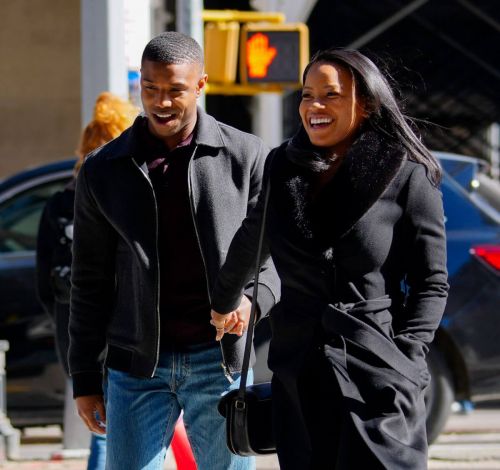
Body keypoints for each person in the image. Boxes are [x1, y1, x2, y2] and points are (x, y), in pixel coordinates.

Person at [211, 48, 449, 469]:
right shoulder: (284, 168)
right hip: (299, 372)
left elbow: (431, 282)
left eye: (330, 95)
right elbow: (252, 240)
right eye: (307, 95)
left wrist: (408, 357)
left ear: (368, 102)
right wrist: (224, 299)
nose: (314, 106)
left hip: (378, 372)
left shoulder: (407, 173)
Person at [68, 31, 279, 470]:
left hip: (219, 361)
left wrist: (250, 302)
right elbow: (89, 279)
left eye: (175, 90)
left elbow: (271, 259)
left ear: (201, 84)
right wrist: (85, 377)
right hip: (135, 366)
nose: (161, 102)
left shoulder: (247, 156)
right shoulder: (103, 170)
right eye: (150, 89)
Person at [36, 91, 139, 469]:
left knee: (103, 422)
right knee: (113, 424)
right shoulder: (128, 192)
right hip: (127, 326)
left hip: (76, 324)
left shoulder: (61, 201)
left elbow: (44, 280)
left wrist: (66, 317)